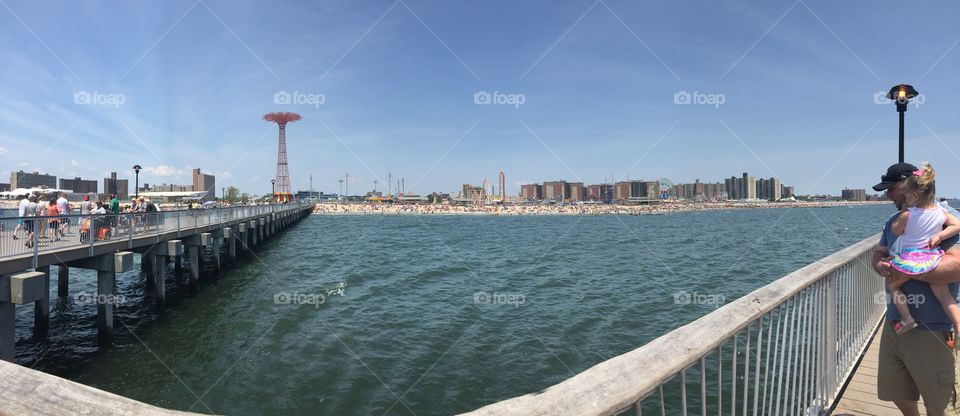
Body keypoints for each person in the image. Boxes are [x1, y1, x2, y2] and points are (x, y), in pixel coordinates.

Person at [872, 162, 960, 415]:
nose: (887, 195)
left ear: (911, 187)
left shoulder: (944, 217)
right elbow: (880, 251)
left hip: (932, 329)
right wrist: (880, 265)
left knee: (941, 405)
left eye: (891, 189)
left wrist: (906, 269)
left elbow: (957, 266)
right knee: (896, 390)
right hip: (895, 324)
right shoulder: (894, 219)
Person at [885, 162, 960, 336]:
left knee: (894, 286)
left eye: (906, 194)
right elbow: (957, 226)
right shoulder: (941, 213)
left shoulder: (908, 214)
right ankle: (958, 324)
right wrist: (940, 236)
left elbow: (896, 230)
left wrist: (904, 211)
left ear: (915, 197)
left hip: (910, 259)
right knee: (942, 292)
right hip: (931, 257)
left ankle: (907, 318)